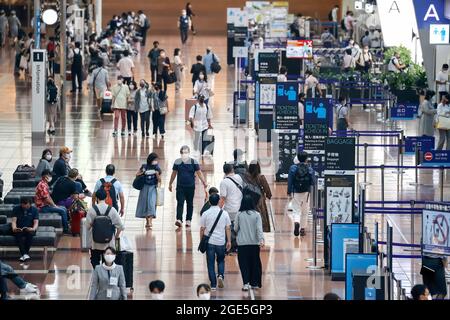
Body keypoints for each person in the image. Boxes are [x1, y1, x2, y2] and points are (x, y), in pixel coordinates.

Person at [169, 145, 208, 228]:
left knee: (190, 204)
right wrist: (170, 183)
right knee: (180, 202)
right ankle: (179, 219)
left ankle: (188, 220)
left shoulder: (194, 162)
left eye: (186, 152)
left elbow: (199, 173)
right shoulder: (177, 162)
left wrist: (204, 182)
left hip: (190, 187)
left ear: (189, 153)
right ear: (180, 153)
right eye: (183, 152)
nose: (184, 154)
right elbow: (174, 174)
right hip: (180, 187)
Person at [200, 193, 232, 291]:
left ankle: (213, 285)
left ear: (209, 202)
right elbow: (228, 228)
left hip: (209, 242)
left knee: (210, 263)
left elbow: (202, 229)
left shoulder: (205, 213)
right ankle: (221, 276)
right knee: (221, 260)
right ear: (218, 201)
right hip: (221, 242)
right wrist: (229, 241)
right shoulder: (224, 213)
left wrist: (202, 241)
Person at [86, 190, 124, 268]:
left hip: (95, 242)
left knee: (94, 259)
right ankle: (105, 275)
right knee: (107, 261)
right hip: (108, 242)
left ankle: (98, 273)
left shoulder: (91, 210)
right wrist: (116, 236)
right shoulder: (112, 210)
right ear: (106, 197)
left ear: (96, 198)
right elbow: (120, 226)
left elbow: (87, 227)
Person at [234, 193, 264, 291]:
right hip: (254, 244)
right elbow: (259, 229)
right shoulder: (257, 215)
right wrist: (261, 240)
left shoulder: (239, 214)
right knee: (254, 263)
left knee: (243, 264)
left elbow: (235, 228)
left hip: (242, 244)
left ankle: (245, 283)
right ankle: (254, 283)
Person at [288, 152, 315, 237]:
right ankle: (302, 229)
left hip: (295, 191)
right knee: (305, 210)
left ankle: (296, 222)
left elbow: (290, 181)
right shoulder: (309, 168)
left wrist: (289, 191)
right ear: (306, 159)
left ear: (298, 159)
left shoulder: (293, 168)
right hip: (306, 192)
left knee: (296, 210)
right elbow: (313, 182)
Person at [35, 169, 70, 234]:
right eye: (50, 175)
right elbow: (46, 199)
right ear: (46, 176)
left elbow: (49, 197)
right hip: (42, 208)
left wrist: (54, 205)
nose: (51, 177)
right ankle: (66, 229)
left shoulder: (45, 184)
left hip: (46, 205)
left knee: (64, 208)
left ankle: (66, 225)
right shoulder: (42, 185)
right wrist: (54, 206)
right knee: (62, 210)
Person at [219, 163, 243, 254]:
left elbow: (223, 198)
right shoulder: (239, 178)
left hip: (230, 209)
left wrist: (218, 209)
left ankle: (231, 247)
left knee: (229, 228)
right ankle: (237, 246)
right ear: (232, 169)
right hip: (240, 207)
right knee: (237, 228)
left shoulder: (224, 182)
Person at [135, 153, 161, 229]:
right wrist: (143, 172)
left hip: (153, 187)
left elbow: (159, 180)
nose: (156, 161)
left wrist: (157, 175)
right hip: (144, 187)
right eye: (155, 160)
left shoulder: (157, 168)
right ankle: (148, 221)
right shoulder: (144, 166)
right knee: (145, 204)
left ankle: (150, 221)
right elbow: (137, 174)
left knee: (151, 204)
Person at [246, 161, 272, 233]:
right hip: (259, 198)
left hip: (249, 198)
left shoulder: (246, 177)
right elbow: (267, 189)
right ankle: (262, 230)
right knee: (261, 216)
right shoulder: (261, 177)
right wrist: (268, 195)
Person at [11, 197, 38, 262]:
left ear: (30, 204)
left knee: (30, 234)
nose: (25, 207)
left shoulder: (34, 210)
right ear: (21, 204)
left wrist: (33, 229)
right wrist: (14, 228)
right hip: (19, 228)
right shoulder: (16, 209)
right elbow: (14, 221)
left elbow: (36, 222)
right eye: (24, 206)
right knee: (18, 234)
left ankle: (24, 254)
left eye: (27, 206)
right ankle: (25, 254)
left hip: (29, 228)